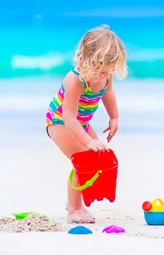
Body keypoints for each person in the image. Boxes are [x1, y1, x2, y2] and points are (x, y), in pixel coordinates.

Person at [45, 25, 128, 223]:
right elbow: (69, 118)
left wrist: (114, 117)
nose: (105, 75)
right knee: (84, 161)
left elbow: (108, 93)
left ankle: (75, 203)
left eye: (109, 71)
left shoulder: (105, 76)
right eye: (100, 71)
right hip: (59, 121)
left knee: (97, 161)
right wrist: (88, 141)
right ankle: (74, 208)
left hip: (80, 122)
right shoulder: (75, 81)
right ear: (86, 60)